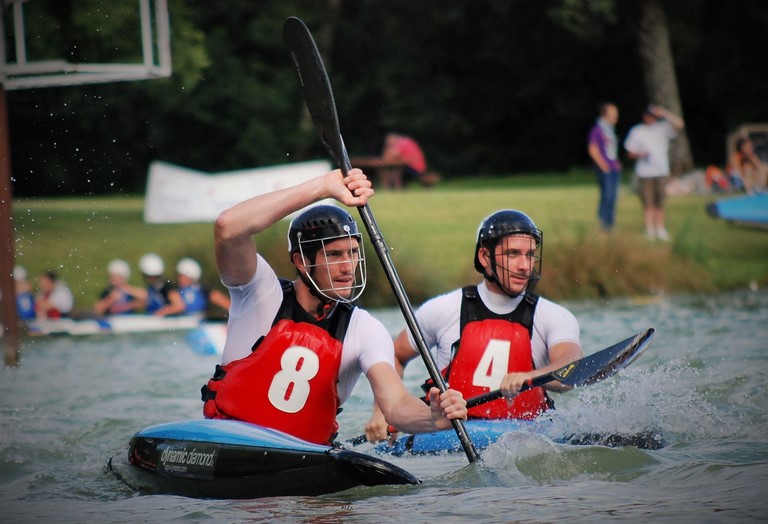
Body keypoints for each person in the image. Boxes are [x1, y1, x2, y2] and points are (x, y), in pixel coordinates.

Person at [200, 167, 467, 446]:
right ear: (302, 262)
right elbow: (228, 228)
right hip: (228, 445)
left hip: (301, 461)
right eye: (334, 255)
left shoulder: (364, 328)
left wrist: (433, 418)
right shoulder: (258, 293)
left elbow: (396, 404)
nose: (347, 267)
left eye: (352, 253)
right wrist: (324, 187)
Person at [365, 210, 583, 443]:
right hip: (449, 439)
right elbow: (394, 355)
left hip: (527, 438)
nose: (524, 266)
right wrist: (384, 412)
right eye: (513, 254)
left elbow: (571, 366)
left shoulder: (554, 316)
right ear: (484, 257)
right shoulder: (443, 309)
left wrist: (531, 376)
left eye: (530, 255)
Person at [623, 104, 685, 241]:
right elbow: (629, 152)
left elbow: (680, 124)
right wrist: (640, 154)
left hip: (661, 171)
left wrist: (664, 113)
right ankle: (650, 230)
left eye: (654, 116)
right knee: (648, 202)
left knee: (660, 202)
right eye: (649, 116)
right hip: (645, 173)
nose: (652, 119)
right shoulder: (637, 131)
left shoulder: (662, 129)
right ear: (645, 117)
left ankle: (660, 228)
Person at [587, 102, 622, 231]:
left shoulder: (609, 130)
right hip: (606, 169)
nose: (616, 116)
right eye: (613, 113)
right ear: (605, 114)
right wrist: (603, 165)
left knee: (613, 197)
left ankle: (610, 224)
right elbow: (593, 149)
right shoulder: (598, 130)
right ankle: (604, 224)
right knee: (607, 196)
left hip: (614, 168)